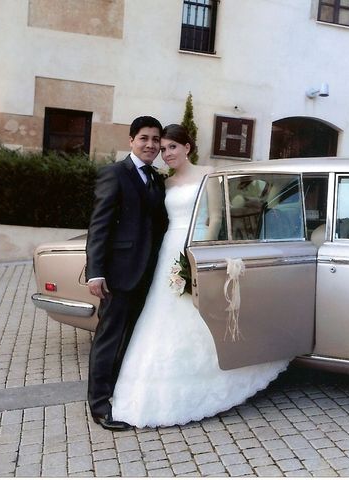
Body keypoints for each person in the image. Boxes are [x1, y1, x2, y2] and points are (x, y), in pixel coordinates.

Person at [111, 124, 290, 428]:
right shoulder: (164, 183)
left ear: (187, 147)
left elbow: (217, 216)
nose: (166, 153)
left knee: (200, 309)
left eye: (172, 147)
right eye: (163, 148)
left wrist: (196, 255)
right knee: (162, 312)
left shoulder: (209, 174)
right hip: (168, 248)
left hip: (195, 245)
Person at [85, 116, 168, 431]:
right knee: (109, 339)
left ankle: (120, 396)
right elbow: (99, 225)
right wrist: (95, 272)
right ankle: (99, 406)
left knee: (130, 339)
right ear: (131, 140)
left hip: (149, 274)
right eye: (144, 138)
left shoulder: (158, 178)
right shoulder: (114, 174)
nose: (150, 145)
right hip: (119, 274)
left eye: (155, 139)